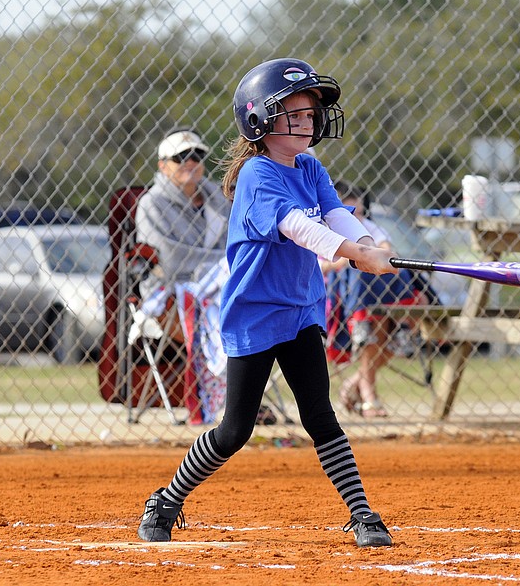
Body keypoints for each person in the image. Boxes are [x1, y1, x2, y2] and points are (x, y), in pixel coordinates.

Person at [137, 57, 396, 548]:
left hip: (300, 309)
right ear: (261, 120)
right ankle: (166, 500)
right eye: (293, 114)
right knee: (235, 431)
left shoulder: (311, 165)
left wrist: (369, 243)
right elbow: (298, 226)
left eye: (310, 114)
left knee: (319, 415)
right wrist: (355, 253)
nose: (308, 123)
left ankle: (362, 514)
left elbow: (335, 213)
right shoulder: (258, 173)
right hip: (256, 313)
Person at [322, 181, 427, 418]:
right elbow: (316, 268)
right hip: (334, 295)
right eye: (350, 213)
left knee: (390, 272)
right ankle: (367, 390)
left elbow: (388, 250)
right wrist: (345, 261)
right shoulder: (323, 229)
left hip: (372, 299)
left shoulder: (368, 227)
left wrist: (372, 254)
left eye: (359, 212)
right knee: (356, 271)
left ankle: (358, 381)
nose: (356, 218)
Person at [134, 128, 231, 296]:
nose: (190, 162)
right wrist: (227, 263)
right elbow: (169, 260)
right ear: (163, 166)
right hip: (170, 292)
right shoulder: (152, 203)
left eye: (197, 155)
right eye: (181, 157)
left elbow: (233, 242)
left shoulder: (218, 199)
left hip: (220, 285)